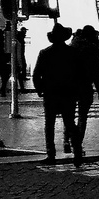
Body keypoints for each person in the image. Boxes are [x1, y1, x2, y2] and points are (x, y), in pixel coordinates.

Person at [32, 23, 79, 164]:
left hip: (51, 93)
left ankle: (51, 154)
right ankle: (77, 152)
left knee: (49, 125)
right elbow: (78, 73)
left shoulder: (45, 53)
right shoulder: (72, 52)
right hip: (68, 93)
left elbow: (36, 74)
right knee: (70, 123)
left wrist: (40, 89)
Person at [72, 25, 99, 156]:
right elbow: (96, 72)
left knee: (69, 116)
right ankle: (77, 143)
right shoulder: (92, 50)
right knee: (82, 117)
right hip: (86, 86)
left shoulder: (73, 47)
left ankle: (67, 141)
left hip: (72, 85)